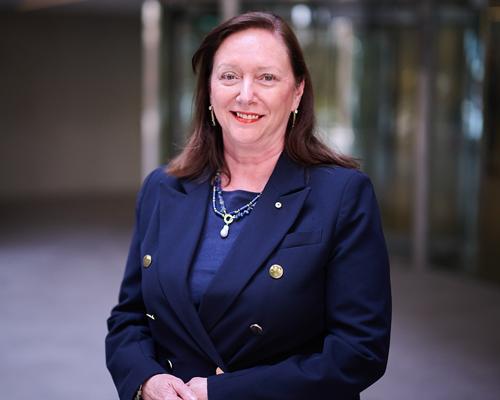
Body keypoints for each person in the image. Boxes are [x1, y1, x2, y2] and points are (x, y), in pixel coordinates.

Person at [105, 11, 391, 400]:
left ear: (297, 92)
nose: (245, 94)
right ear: (208, 89)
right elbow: (129, 317)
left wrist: (225, 392)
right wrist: (146, 380)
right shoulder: (163, 188)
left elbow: (359, 350)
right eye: (229, 76)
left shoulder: (341, 195)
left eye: (266, 77)